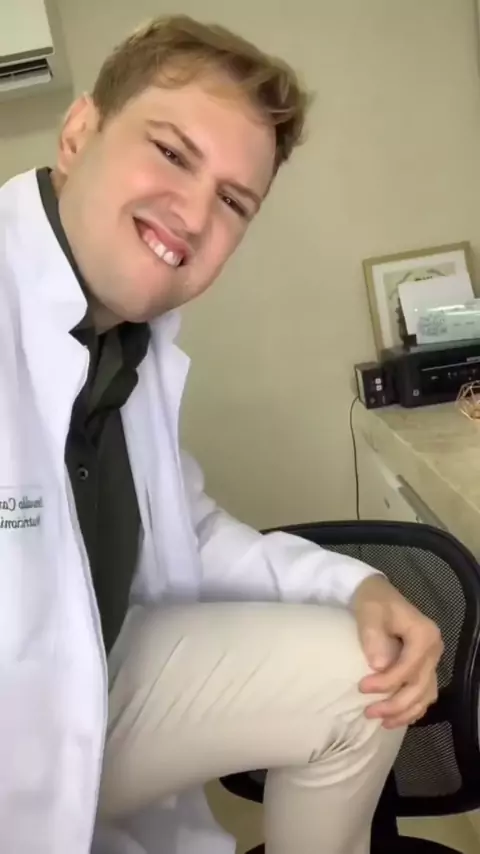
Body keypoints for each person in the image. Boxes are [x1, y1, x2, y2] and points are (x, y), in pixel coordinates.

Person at [0, 14, 442, 854]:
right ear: (79, 132)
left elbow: (188, 531)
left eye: (235, 201)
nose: (196, 213)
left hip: (88, 684)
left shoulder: (120, 346)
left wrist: (355, 586)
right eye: (172, 152)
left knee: (365, 683)